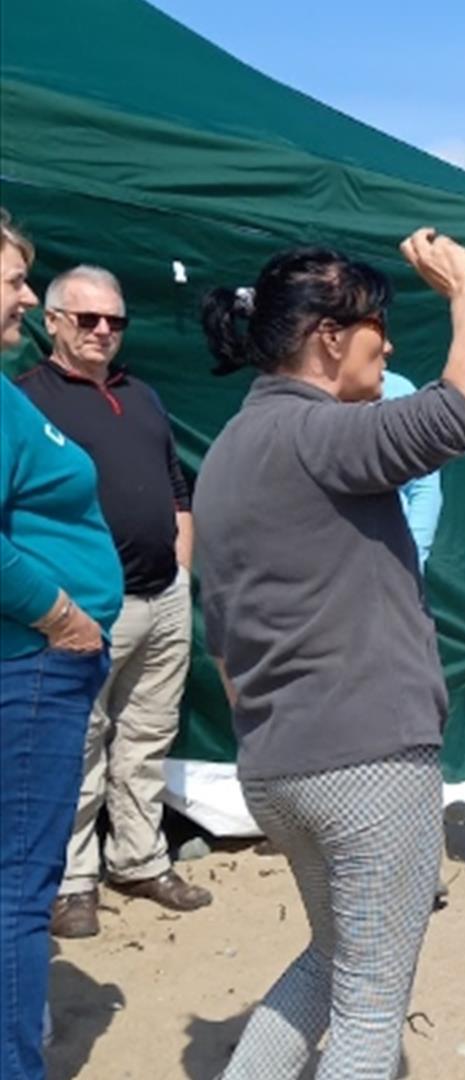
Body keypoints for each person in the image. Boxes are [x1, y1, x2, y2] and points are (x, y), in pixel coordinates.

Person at [194, 230, 465, 1078]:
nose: (390, 347)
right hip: (367, 760)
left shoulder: (227, 454)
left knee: (330, 963)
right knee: (370, 1013)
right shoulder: (320, 434)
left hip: (277, 762)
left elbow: (222, 642)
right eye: (378, 327)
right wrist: (464, 284)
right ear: (329, 337)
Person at [15, 264, 212, 940]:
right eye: (88, 318)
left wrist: (181, 570)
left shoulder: (144, 396)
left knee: (147, 738)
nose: (103, 330)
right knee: (78, 744)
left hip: (163, 597)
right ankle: (73, 882)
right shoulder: (26, 400)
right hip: (85, 612)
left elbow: (176, 487)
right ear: (52, 321)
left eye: (115, 320)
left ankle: (140, 859)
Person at [0, 211, 122, 1080]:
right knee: (19, 887)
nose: (24, 297)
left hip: (36, 663)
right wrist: (60, 616)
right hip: (31, 666)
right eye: (12, 282)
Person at [381, 369, 444, 575]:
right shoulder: (300, 400)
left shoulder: (398, 390)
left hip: (390, 567)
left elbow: (424, 487)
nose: (386, 352)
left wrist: (412, 559)